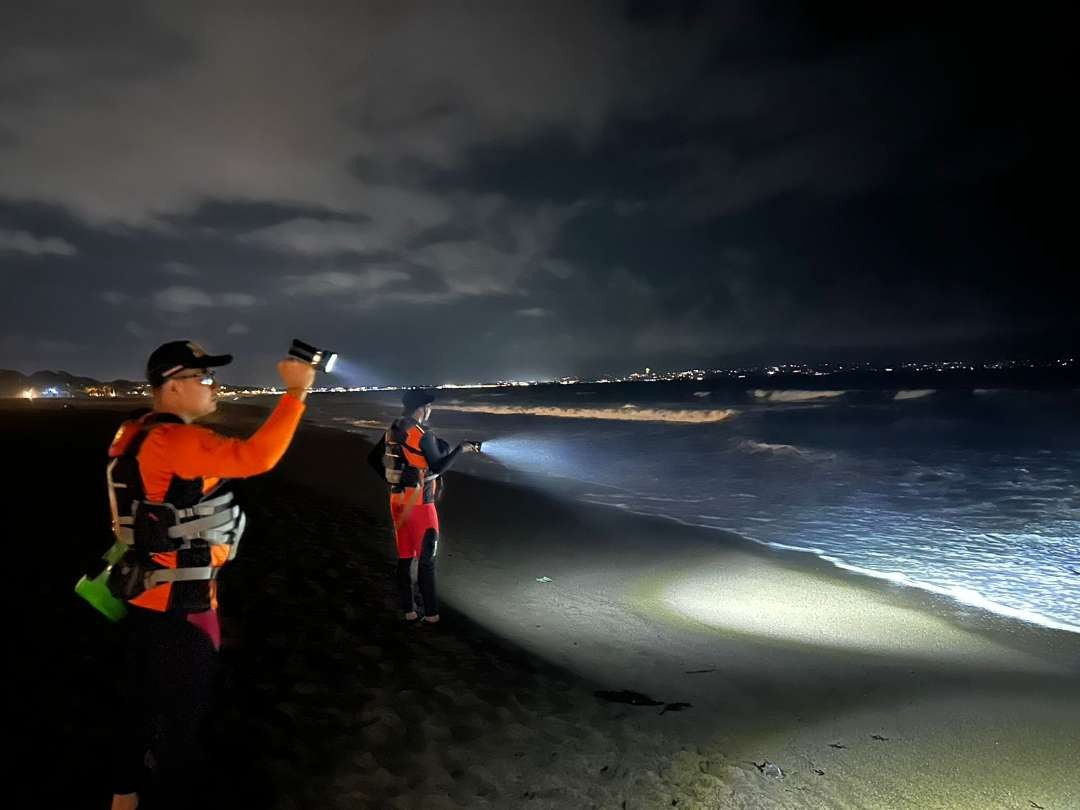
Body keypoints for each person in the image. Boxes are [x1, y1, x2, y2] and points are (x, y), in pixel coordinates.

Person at [107, 340, 315, 810]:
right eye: (204, 379)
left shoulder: (131, 432)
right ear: (174, 386)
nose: (213, 386)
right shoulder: (177, 441)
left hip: (140, 595)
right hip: (185, 607)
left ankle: (123, 794)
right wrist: (296, 393)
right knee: (182, 719)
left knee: (138, 701)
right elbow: (257, 457)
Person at [368, 390, 477, 624]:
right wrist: (461, 449)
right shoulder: (421, 433)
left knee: (405, 557)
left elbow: (373, 459)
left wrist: (393, 480)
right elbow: (438, 465)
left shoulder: (395, 428)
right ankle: (431, 614)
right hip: (420, 506)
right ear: (424, 407)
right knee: (427, 561)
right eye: (430, 407)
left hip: (397, 502)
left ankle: (409, 610)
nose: (430, 411)